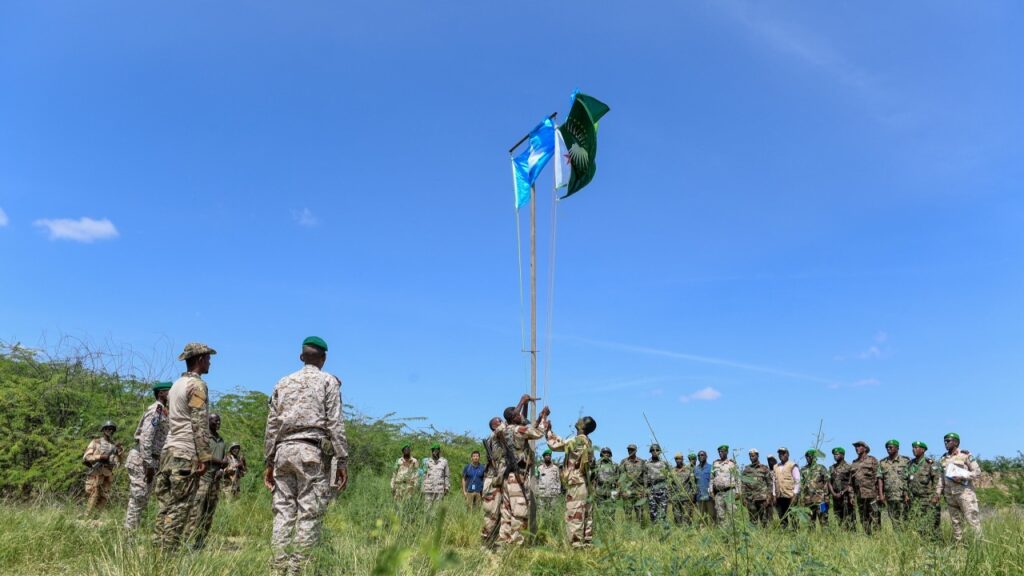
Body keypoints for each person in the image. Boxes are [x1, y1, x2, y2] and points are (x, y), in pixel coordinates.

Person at [264, 336, 348, 575]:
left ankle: (278, 567)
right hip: (310, 451)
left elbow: (271, 425)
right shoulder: (328, 381)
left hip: (283, 452)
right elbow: (335, 424)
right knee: (309, 513)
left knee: (283, 512)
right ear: (324, 358)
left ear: (302, 357)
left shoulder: (282, 382)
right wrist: (341, 460)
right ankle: (298, 570)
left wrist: (269, 460)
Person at [153, 342, 215, 551]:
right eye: (207, 358)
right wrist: (205, 456)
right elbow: (198, 422)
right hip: (185, 453)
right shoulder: (196, 386)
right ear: (199, 359)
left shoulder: (175, 386)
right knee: (180, 508)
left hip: (168, 452)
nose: (209, 362)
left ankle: (155, 553)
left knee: (165, 506)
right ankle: (168, 558)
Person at [496, 395, 549, 546]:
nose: (521, 416)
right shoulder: (518, 430)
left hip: (508, 477)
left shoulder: (504, 430)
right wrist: (544, 416)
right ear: (513, 417)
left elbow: (523, 421)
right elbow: (538, 432)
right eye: (518, 414)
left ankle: (503, 541)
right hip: (517, 476)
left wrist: (524, 405)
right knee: (519, 511)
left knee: (506, 511)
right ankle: (516, 544)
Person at [124, 382, 170, 530]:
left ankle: (131, 532)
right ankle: (128, 537)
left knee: (142, 498)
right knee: (139, 497)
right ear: (161, 393)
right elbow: (146, 438)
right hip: (142, 460)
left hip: (150, 459)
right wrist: (149, 464)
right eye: (169, 391)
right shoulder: (156, 410)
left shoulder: (163, 411)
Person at [546, 416, 597, 548]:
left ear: (583, 426)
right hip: (584, 483)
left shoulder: (578, 441)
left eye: (581, 420)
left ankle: (576, 546)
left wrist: (548, 432)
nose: (577, 420)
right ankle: (586, 544)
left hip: (576, 482)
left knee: (575, 514)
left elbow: (555, 445)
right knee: (585, 514)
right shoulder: (587, 441)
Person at [184, 413, 227, 550]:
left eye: (219, 420)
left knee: (209, 512)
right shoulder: (203, 438)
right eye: (215, 420)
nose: (218, 423)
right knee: (196, 511)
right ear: (208, 421)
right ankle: (187, 541)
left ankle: (200, 541)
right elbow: (204, 456)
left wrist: (222, 469)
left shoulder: (221, 440)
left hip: (215, 480)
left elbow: (224, 459)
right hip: (203, 478)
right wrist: (221, 462)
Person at [937, 432, 982, 543]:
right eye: (945, 441)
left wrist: (962, 477)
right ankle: (959, 546)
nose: (946, 443)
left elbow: (977, 472)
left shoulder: (965, 455)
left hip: (964, 494)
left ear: (956, 442)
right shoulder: (943, 459)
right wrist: (937, 493)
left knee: (972, 520)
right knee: (956, 522)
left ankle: (978, 546)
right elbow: (941, 478)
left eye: (948, 441)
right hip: (950, 495)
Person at [83, 421, 122, 514]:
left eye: (112, 429)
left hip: (108, 473)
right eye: (108, 429)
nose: (110, 431)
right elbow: (86, 457)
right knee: (94, 493)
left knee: (104, 495)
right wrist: (99, 457)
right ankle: (87, 515)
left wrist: (119, 454)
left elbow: (118, 463)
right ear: (103, 430)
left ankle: (97, 516)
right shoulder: (96, 442)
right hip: (97, 471)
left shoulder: (114, 446)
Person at [905, 441, 941, 537]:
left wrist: (936, 496)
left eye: (916, 447)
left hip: (928, 499)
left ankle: (936, 544)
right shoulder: (909, 464)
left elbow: (937, 481)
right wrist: (906, 494)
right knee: (917, 525)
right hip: (914, 500)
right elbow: (905, 480)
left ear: (923, 450)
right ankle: (921, 544)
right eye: (913, 447)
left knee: (933, 524)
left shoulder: (930, 463)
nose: (914, 449)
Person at [480, 417, 505, 549]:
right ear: (495, 426)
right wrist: (521, 402)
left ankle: (495, 541)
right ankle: (485, 541)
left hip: (500, 480)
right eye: (499, 421)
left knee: (501, 513)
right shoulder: (494, 436)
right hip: (492, 480)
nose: (502, 423)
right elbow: (508, 422)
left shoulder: (502, 438)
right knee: (491, 513)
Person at [877, 439, 911, 527]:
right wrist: (881, 494)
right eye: (887, 447)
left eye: (891, 447)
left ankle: (907, 537)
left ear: (897, 448)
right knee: (894, 520)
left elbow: (910, 478)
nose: (888, 449)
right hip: (889, 496)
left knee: (906, 519)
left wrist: (908, 493)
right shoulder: (882, 463)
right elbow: (880, 479)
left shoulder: (906, 461)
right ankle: (897, 538)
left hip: (903, 496)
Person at [850, 440, 880, 534]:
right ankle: (867, 535)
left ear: (865, 448)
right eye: (856, 446)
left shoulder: (872, 460)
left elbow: (878, 477)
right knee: (863, 517)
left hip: (872, 495)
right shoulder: (854, 463)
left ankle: (877, 536)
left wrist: (879, 494)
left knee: (875, 515)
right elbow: (851, 482)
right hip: (860, 496)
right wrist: (851, 496)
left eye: (859, 446)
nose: (857, 448)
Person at [740, 449, 773, 526]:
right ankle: (754, 536)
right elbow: (743, 485)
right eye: (750, 456)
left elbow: (770, 483)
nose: (752, 457)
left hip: (763, 499)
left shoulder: (764, 468)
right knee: (752, 521)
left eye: (753, 455)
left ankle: (765, 537)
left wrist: (769, 497)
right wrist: (744, 498)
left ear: (757, 456)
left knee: (764, 521)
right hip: (751, 499)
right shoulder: (746, 470)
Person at [710, 445, 739, 524]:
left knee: (731, 512)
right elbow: (711, 478)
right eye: (719, 452)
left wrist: (738, 491)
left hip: (729, 491)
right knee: (720, 514)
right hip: (718, 492)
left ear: (726, 452)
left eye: (722, 451)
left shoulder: (732, 463)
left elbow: (737, 478)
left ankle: (732, 531)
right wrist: (711, 490)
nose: (720, 453)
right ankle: (723, 532)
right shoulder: (715, 463)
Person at [772, 447, 801, 527]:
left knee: (793, 516)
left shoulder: (792, 465)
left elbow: (797, 480)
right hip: (780, 496)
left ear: (787, 454)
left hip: (790, 495)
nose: (781, 455)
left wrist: (794, 494)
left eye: (783, 453)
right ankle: (784, 532)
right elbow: (774, 481)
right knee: (782, 516)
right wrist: (774, 494)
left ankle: (795, 532)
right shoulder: (776, 466)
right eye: (780, 454)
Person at [618, 444, 647, 522]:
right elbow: (620, 477)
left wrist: (645, 489)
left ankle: (640, 529)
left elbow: (645, 476)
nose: (630, 451)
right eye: (629, 450)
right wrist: (621, 490)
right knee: (627, 512)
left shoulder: (642, 462)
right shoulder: (623, 462)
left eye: (632, 450)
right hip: (627, 491)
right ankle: (629, 530)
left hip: (639, 491)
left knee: (640, 512)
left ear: (636, 450)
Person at [801, 449, 829, 526]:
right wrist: (802, 499)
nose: (808, 458)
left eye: (810, 456)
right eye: (807, 457)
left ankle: (826, 537)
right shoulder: (803, 470)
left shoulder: (821, 468)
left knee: (824, 520)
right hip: (808, 501)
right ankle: (812, 538)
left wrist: (826, 496)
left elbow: (826, 482)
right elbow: (801, 485)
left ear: (814, 457)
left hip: (821, 500)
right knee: (809, 522)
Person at [828, 447, 854, 529]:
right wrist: (833, 493)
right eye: (834, 455)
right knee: (838, 517)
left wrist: (843, 492)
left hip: (846, 496)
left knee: (849, 516)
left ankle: (851, 534)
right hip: (835, 496)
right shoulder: (831, 468)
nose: (835, 456)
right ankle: (841, 534)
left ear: (843, 455)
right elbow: (829, 482)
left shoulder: (849, 466)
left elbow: (851, 482)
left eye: (837, 454)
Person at [645, 444, 671, 524]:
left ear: (659, 451)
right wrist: (646, 490)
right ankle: (654, 527)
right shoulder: (647, 463)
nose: (655, 452)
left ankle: (662, 527)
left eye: (657, 450)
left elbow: (669, 477)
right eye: (653, 450)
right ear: (650, 452)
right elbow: (645, 477)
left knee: (663, 510)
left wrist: (669, 490)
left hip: (663, 490)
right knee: (653, 511)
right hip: (652, 490)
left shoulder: (665, 463)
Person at [670, 452, 697, 526]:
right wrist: (670, 495)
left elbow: (693, 483)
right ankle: (679, 531)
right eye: (676, 459)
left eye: (680, 459)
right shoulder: (672, 470)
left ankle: (687, 531)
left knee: (687, 516)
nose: (678, 460)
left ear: (682, 459)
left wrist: (693, 496)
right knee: (677, 516)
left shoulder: (688, 469)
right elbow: (670, 484)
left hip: (686, 497)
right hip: (676, 497)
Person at [693, 450, 713, 524]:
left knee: (712, 515)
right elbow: (694, 483)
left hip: (709, 496)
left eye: (702, 455)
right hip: (699, 496)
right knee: (702, 517)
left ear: (706, 456)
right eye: (699, 455)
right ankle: (703, 532)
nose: (700, 457)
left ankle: (713, 531)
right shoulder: (695, 469)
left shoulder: (711, 467)